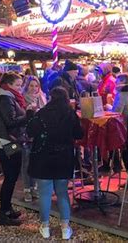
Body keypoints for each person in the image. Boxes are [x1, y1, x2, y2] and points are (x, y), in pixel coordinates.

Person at [27, 86, 83, 240]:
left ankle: (45, 227)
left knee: (45, 194)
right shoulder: (70, 114)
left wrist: (30, 113)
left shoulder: (42, 113)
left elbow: (30, 132)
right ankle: (65, 228)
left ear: (51, 98)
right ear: (66, 98)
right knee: (62, 193)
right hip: (63, 157)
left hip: (43, 157)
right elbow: (79, 134)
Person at [0, 72, 33, 226]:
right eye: (17, 85)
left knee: (11, 177)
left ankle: (7, 209)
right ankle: (4, 214)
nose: (20, 88)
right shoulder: (6, 98)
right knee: (10, 177)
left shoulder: (6, 96)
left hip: (5, 141)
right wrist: (28, 114)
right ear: (8, 85)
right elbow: (10, 122)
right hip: (7, 142)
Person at [21, 75, 46, 202]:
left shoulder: (42, 97)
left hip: (39, 134)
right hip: (26, 134)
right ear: (27, 86)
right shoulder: (22, 98)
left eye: (36, 86)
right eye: (31, 85)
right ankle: (27, 188)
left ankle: (35, 187)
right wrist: (29, 110)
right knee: (26, 162)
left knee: (36, 161)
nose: (34, 88)